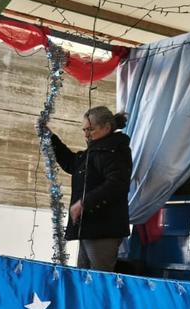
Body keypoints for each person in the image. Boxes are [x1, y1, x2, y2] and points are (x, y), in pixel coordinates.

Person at [49, 106, 133, 272]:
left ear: (106, 128)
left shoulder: (115, 152)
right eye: (84, 130)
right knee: (83, 278)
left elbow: (117, 185)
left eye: (91, 129)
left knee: (97, 281)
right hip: (90, 228)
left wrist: (84, 203)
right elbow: (72, 163)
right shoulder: (95, 151)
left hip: (104, 230)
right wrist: (51, 139)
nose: (86, 134)